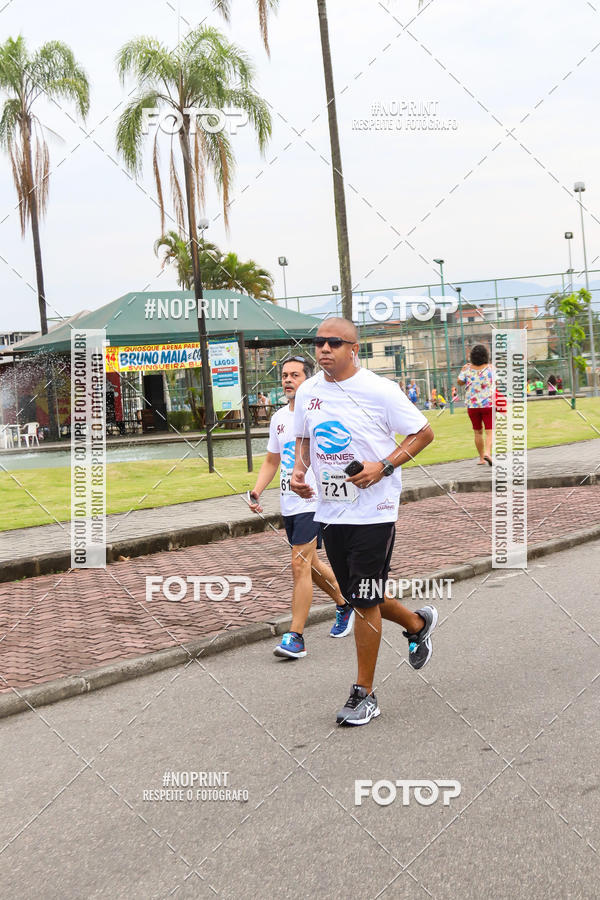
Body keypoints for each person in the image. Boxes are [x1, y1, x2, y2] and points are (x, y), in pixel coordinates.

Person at [291, 318, 436, 726]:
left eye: (333, 343)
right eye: (318, 342)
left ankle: (364, 694)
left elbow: (423, 433)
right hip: (331, 511)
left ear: (354, 348)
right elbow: (304, 437)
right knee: (358, 595)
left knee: (365, 597)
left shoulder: (380, 390)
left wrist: (383, 466)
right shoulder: (308, 391)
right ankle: (416, 623)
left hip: (375, 510)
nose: (323, 349)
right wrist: (300, 471)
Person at [248, 356, 353, 659]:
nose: (288, 380)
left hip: (314, 500)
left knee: (298, 565)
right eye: (284, 375)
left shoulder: (320, 414)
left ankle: (296, 637)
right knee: (310, 564)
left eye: (295, 375)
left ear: (308, 380)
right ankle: (345, 604)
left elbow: (341, 452)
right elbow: (272, 459)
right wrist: (257, 490)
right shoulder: (279, 417)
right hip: (289, 503)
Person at [457, 344, 494, 466]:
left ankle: (481, 458)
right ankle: (488, 453)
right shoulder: (491, 368)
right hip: (488, 404)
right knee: (490, 431)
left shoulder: (467, 369)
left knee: (477, 432)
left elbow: (460, 382)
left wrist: (463, 371)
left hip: (472, 406)